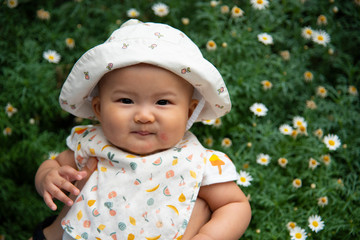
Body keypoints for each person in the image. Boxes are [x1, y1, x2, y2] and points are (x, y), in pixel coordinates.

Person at [34, 19, 251, 240]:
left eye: (163, 102)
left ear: (189, 112)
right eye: (126, 100)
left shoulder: (195, 161)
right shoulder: (93, 144)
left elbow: (235, 204)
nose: (144, 116)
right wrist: (47, 178)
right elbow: (55, 163)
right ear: (98, 109)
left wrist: (207, 236)